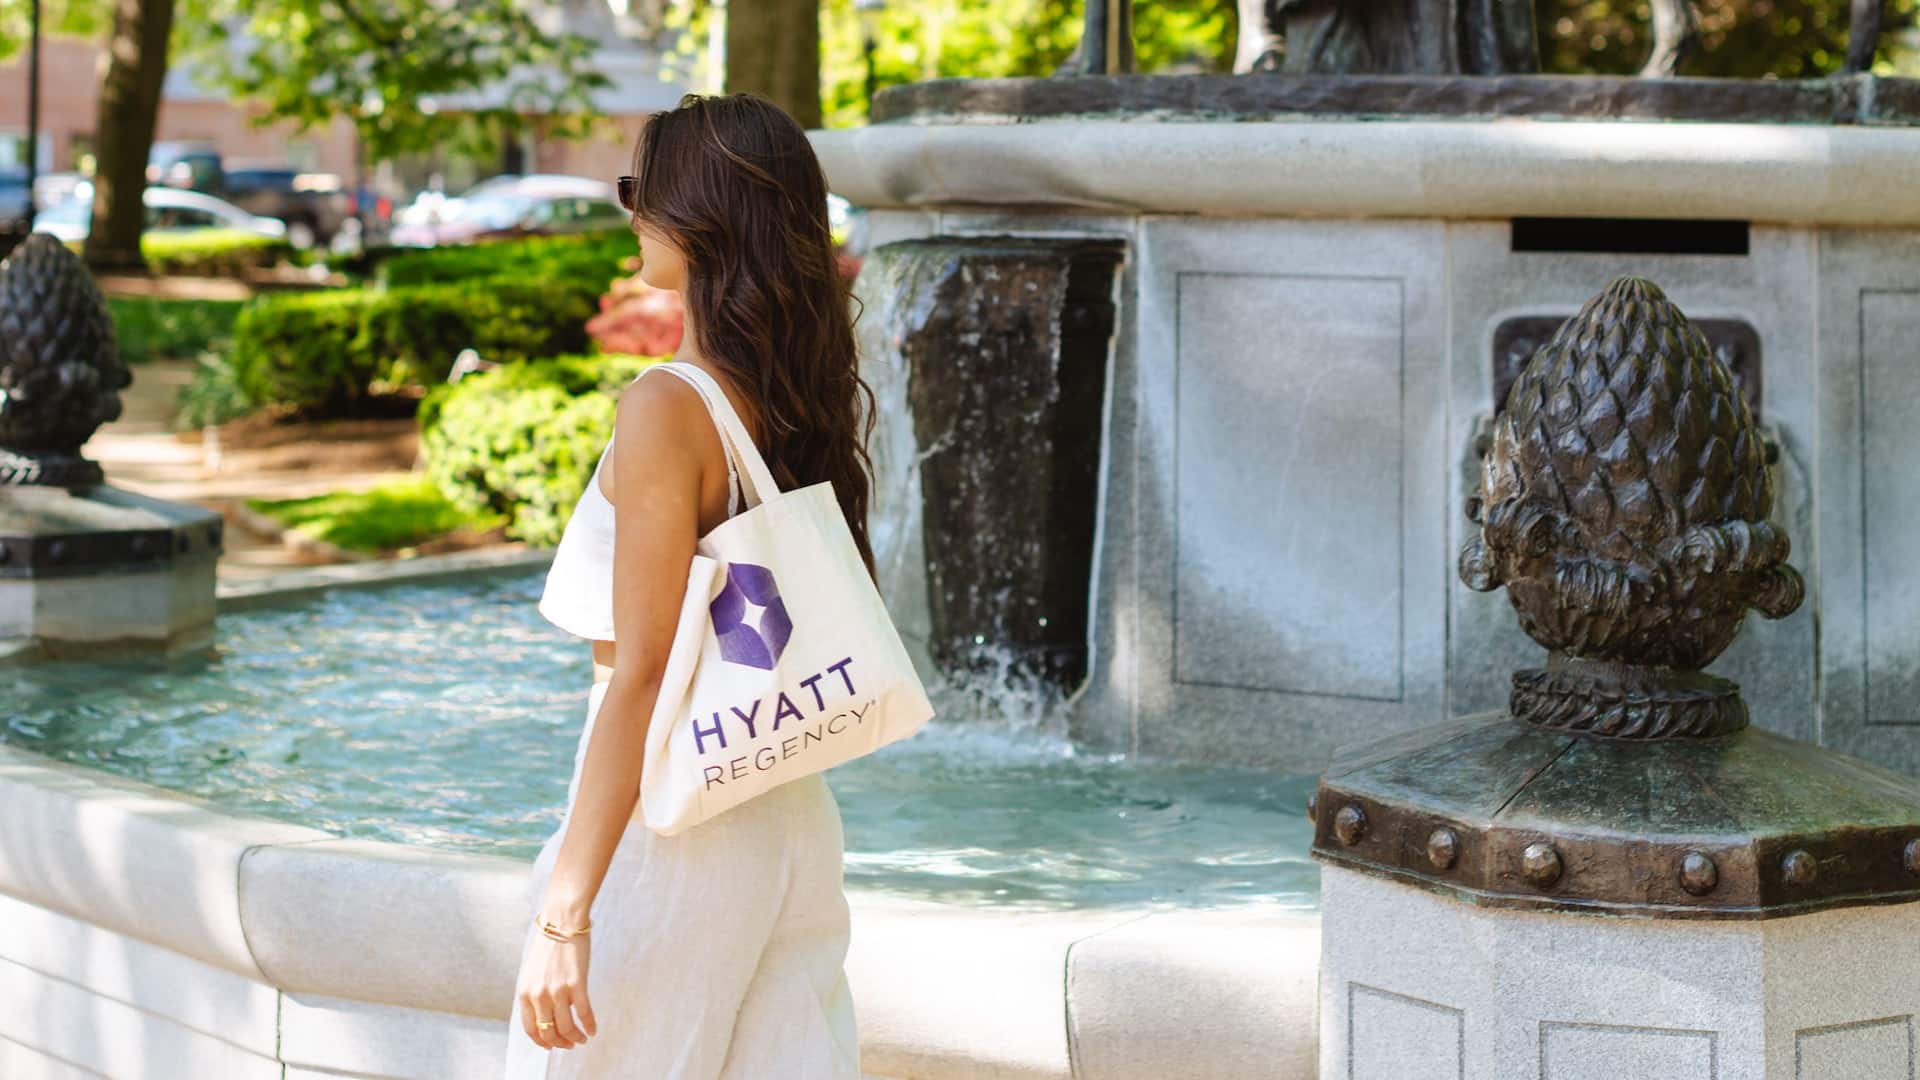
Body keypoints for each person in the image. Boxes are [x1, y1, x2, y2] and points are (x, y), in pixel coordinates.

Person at [501, 91, 877, 1080]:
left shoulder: (668, 407)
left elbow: (642, 673)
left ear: (700, 213)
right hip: (787, 811)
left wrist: (565, 910)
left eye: (640, 188)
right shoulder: (791, 397)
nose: (628, 210)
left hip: (676, 827)